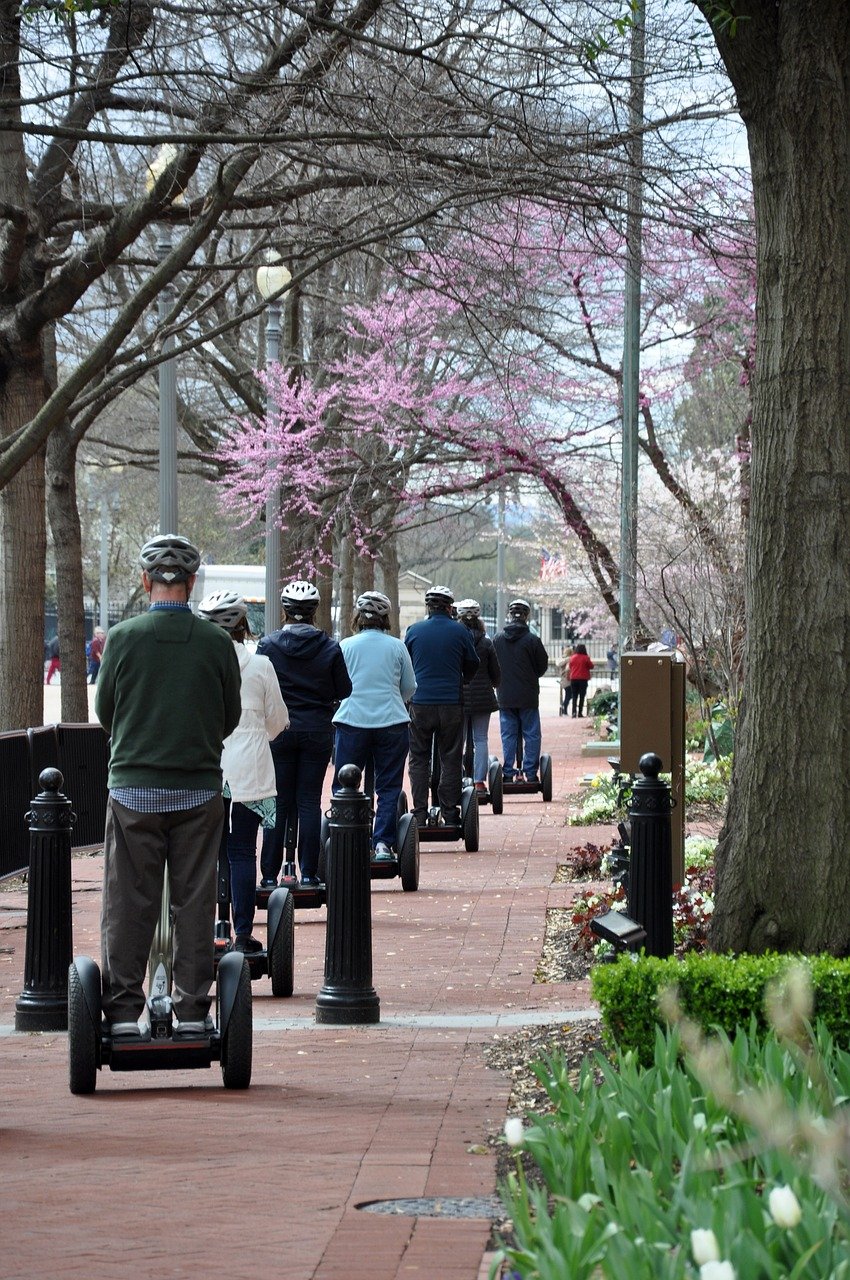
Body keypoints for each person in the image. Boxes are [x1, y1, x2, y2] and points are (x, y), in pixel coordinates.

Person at [94, 534, 242, 1041]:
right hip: (198, 790)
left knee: (126, 899)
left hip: (134, 788)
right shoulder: (217, 643)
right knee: (195, 899)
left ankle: (120, 1012)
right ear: (192, 583)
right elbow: (230, 716)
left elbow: (104, 713)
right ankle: (194, 1008)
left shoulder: (122, 638)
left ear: (144, 581)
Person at [198, 590, 289, 953]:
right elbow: (278, 720)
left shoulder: (197, 665)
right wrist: (258, 734)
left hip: (206, 768)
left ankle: (205, 932)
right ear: (242, 627)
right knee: (241, 853)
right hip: (250, 770)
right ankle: (242, 934)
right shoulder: (261, 665)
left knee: (205, 854)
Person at [257, 580, 352, 888]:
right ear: (314, 612)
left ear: (285, 611)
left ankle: (270, 875)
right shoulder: (329, 647)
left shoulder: (268, 646)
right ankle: (309, 873)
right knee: (309, 801)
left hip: (279, 732)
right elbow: (344, 689)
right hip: (316, 730)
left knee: (279, 801)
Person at [333, 591, 416, 860]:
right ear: (385, 618)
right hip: (391, 723)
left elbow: (337, 686)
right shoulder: (397, 647)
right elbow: (409, 687)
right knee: (388, 787)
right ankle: (382, 843)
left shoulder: (345, 646)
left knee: (344, 785)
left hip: (352, 721)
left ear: (358, 617)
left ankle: (344, 837)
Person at [404, 585, 479, 826]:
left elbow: (405, 665)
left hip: (421, 702)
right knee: (450, 756)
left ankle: (419, 812)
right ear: (449, 607)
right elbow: (472, 664)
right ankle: (449, 811)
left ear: (429, 607)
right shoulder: (459, 631)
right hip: (450, 703)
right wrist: (462, 677)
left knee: (418, 757)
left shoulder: (414, 631)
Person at [492, 598, 549, 782]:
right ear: (526, 616)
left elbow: (492, 665)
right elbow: (542, 666)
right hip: (528, 695)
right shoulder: (533, 640)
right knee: (531, 733)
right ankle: (530, 773)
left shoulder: (498, 639)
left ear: (510, 615)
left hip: (505, 694)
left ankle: (508, 772)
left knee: (508, 734)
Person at [456, 599, 501, 794]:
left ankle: (457, 779)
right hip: (483, 697)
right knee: (481, 738)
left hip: (459, 697)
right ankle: (479, 781)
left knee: (458, 740)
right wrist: (492, 684)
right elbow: (496, 674)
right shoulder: (486, 642)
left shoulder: (455, 641)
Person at [568, 642, 594, 717]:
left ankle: (573, 712)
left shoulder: (573, 657)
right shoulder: (586, 657)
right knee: (582, 696)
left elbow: (570, 666)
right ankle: (580, 712)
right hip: (583, 679)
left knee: (574, 696)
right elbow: (591, 666)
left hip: (573, 678)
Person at [557, 648, 572, 715]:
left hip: (565, 679)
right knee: (569, 695)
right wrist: (568, 659)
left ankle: (563, 707)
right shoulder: (567, 659)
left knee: (569, 695)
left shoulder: (563, 659)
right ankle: (564, 708)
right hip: (567, 679)